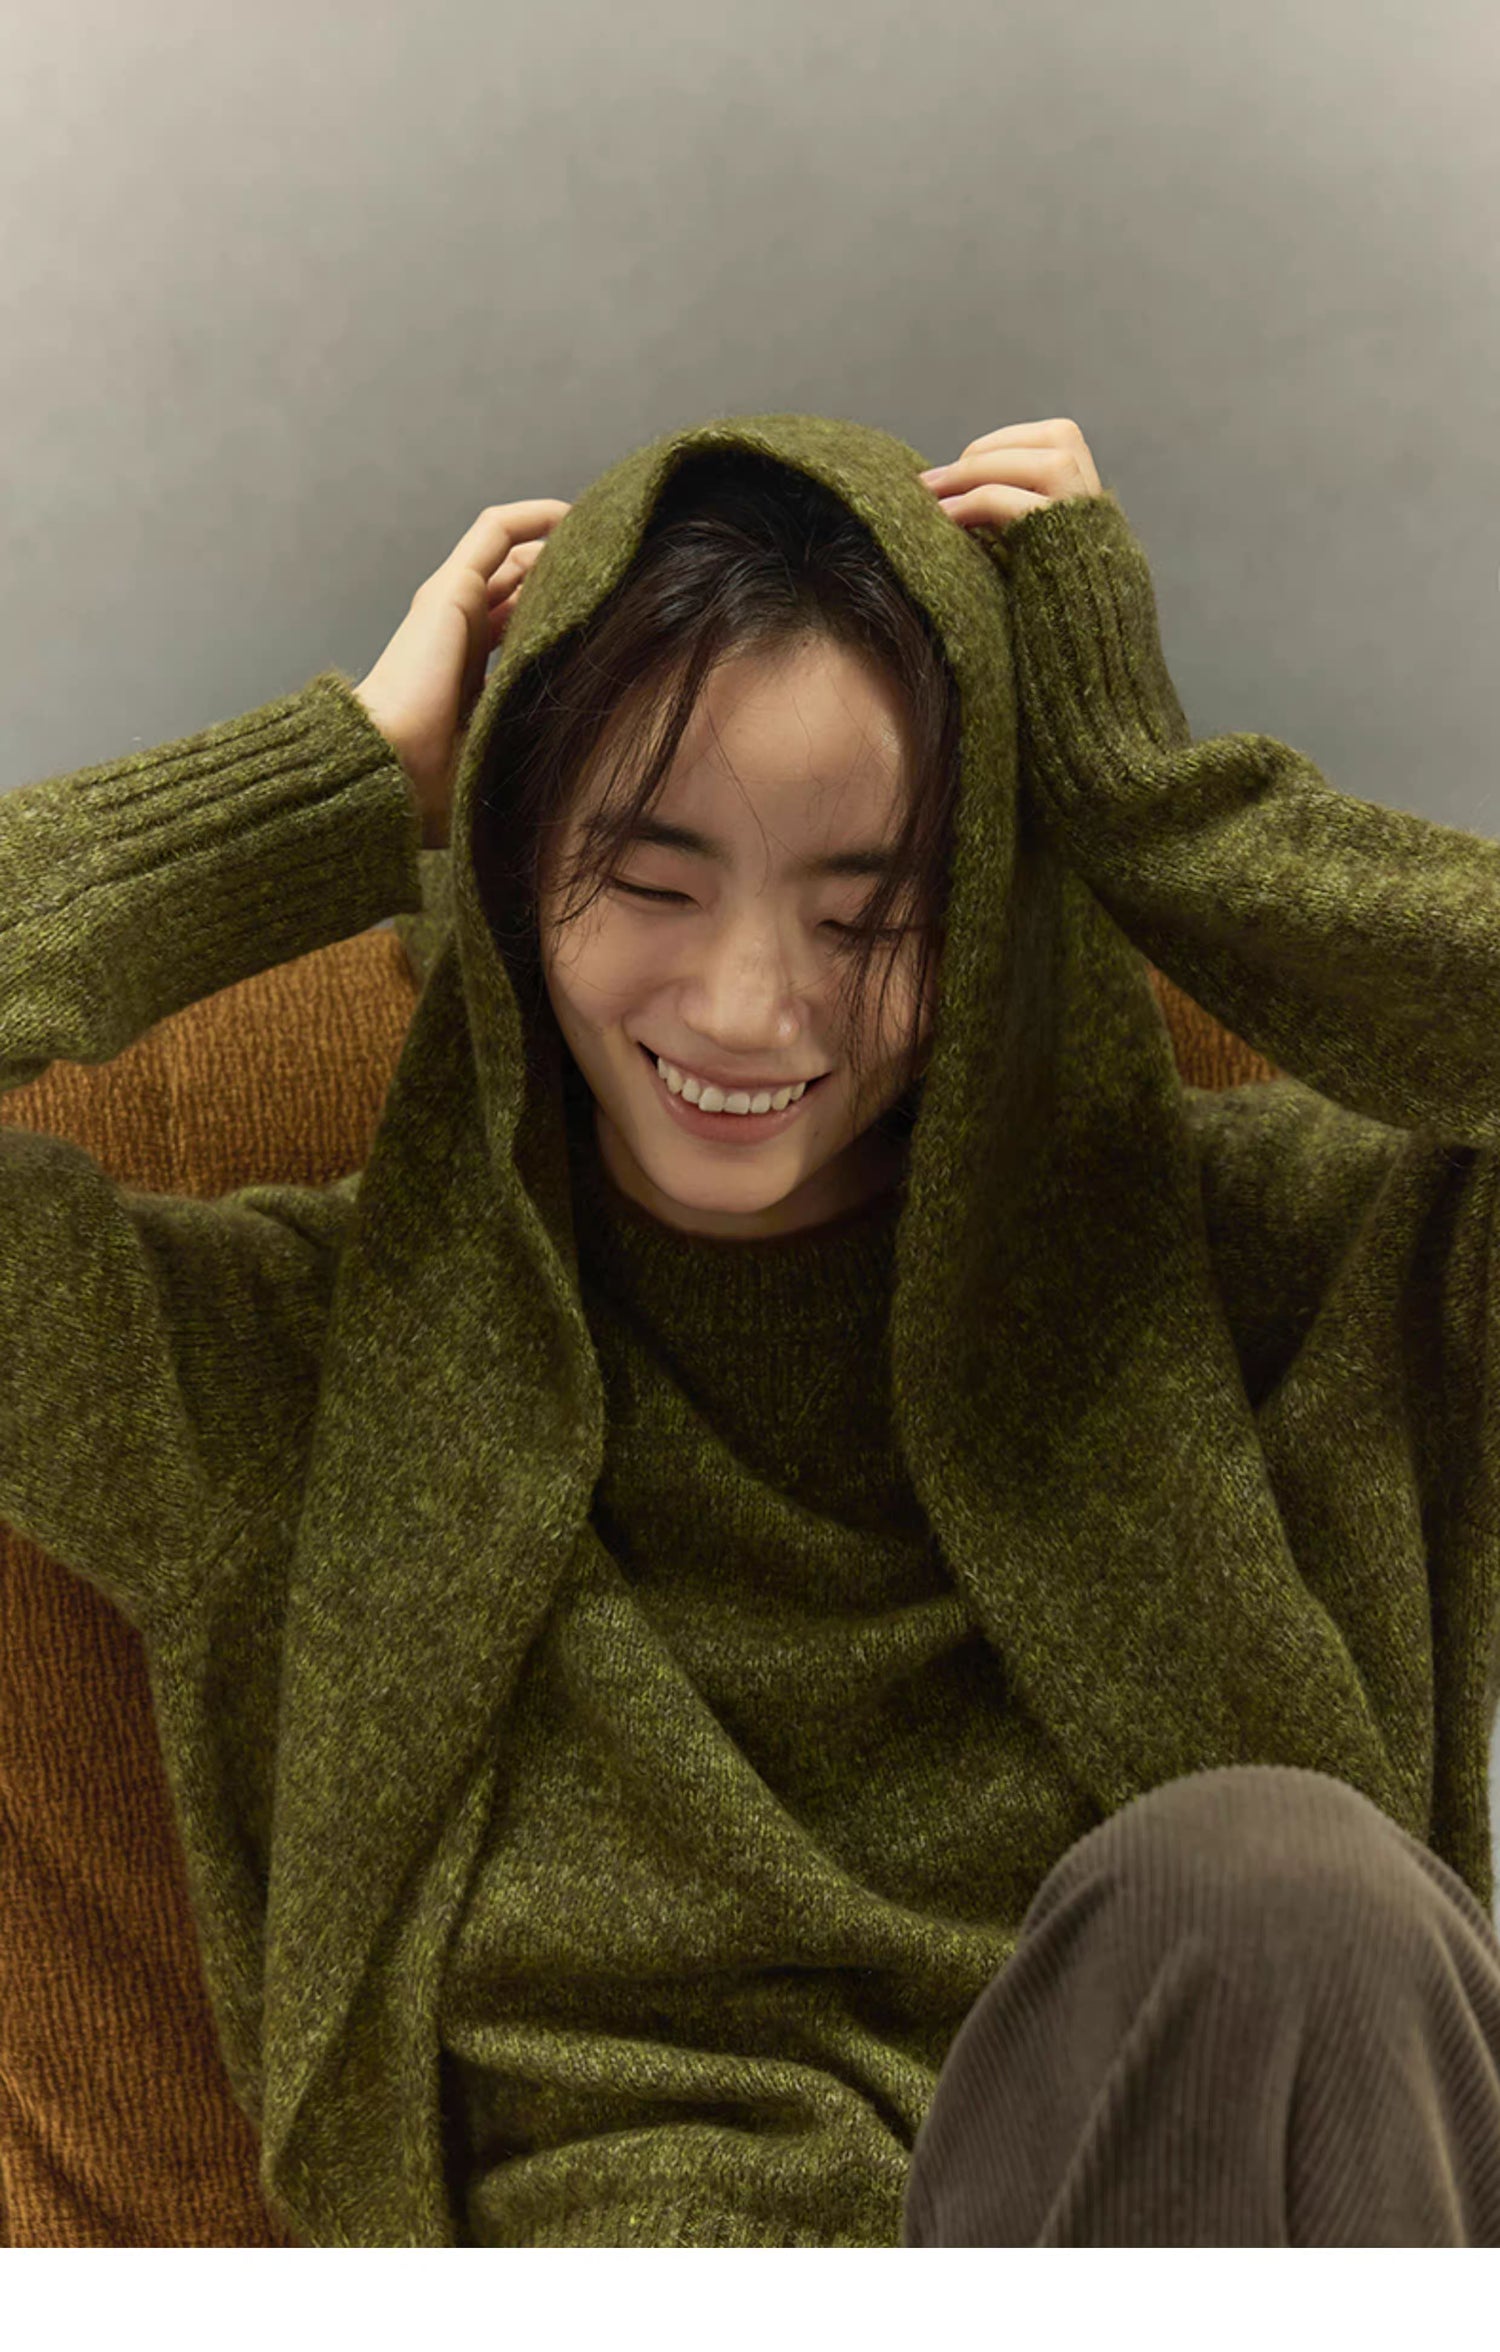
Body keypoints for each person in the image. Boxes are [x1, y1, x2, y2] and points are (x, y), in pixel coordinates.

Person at [3, 412, 1498, 2247]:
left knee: (1284, 1886)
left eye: (875, 911)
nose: (749, 1005)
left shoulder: (1279, 1267)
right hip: (647, 2268)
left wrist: (1154, 802)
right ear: (504, 863)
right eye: (647, 881)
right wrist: (335, 783)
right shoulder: (286, 1367)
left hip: (1163, 2225)